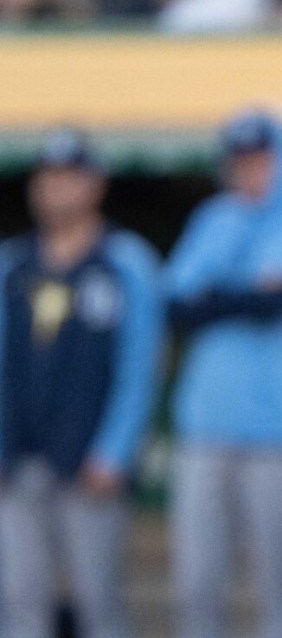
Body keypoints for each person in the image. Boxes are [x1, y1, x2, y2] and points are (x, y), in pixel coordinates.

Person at [164, 107, 282, 638]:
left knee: (280, 587)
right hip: (205, 423)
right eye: (239, 159)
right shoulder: (215, 216)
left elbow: (281, 300)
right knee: (196, 583)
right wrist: (246, 290)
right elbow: (178, 307)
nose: (248, 170)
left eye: (261, 158)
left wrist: (218, 291)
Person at [0, 127, 163, 638]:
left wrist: (115, 452)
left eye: (69, 177)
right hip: (18, 457)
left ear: (94, 185)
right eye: (47, 176)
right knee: (20, 601)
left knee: (99, 601)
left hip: (91, 461)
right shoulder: (11, 264)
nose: (55, 188)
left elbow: (140, 368)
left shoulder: (126, 262)